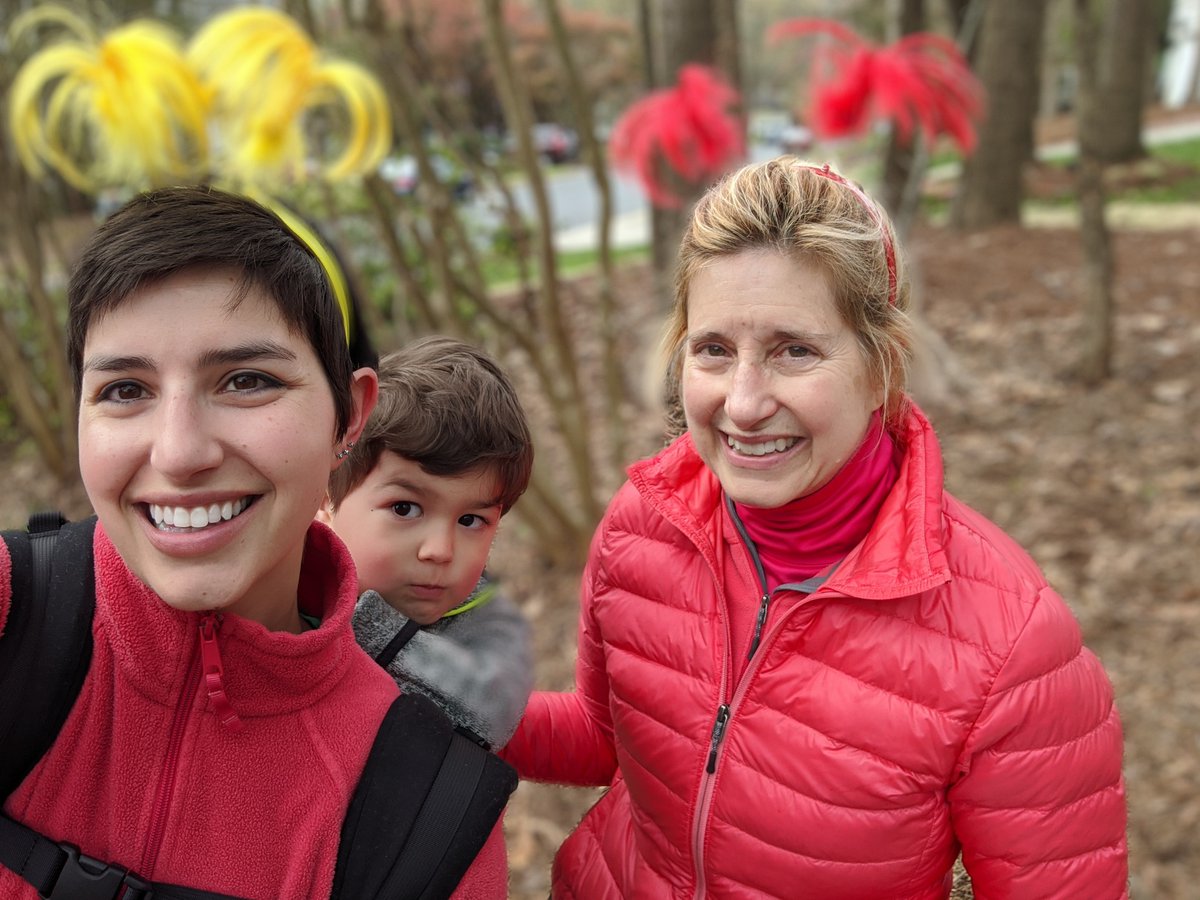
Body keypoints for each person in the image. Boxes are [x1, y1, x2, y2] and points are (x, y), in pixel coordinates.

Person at [501, 158, 1129, 898]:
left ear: (881, 368)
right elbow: (610, 740)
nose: (742, 403)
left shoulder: (1011, 646)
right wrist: (455, 698)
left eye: (793, 350)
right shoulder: (645, 526)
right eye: (713, 350)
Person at [0, 186, 507, 899]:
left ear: (350, 419)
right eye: (124, 390)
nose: (178, 454)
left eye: (245, 381)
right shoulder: (12, 618)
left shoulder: (427, 817)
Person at [319, 336, 535, 751]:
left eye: (471, 520)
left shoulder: (487, 625)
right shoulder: (277, 592)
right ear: (327, 496)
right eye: (405, 509)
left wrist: (364, 629)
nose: (439, 550)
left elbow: (490, 713)